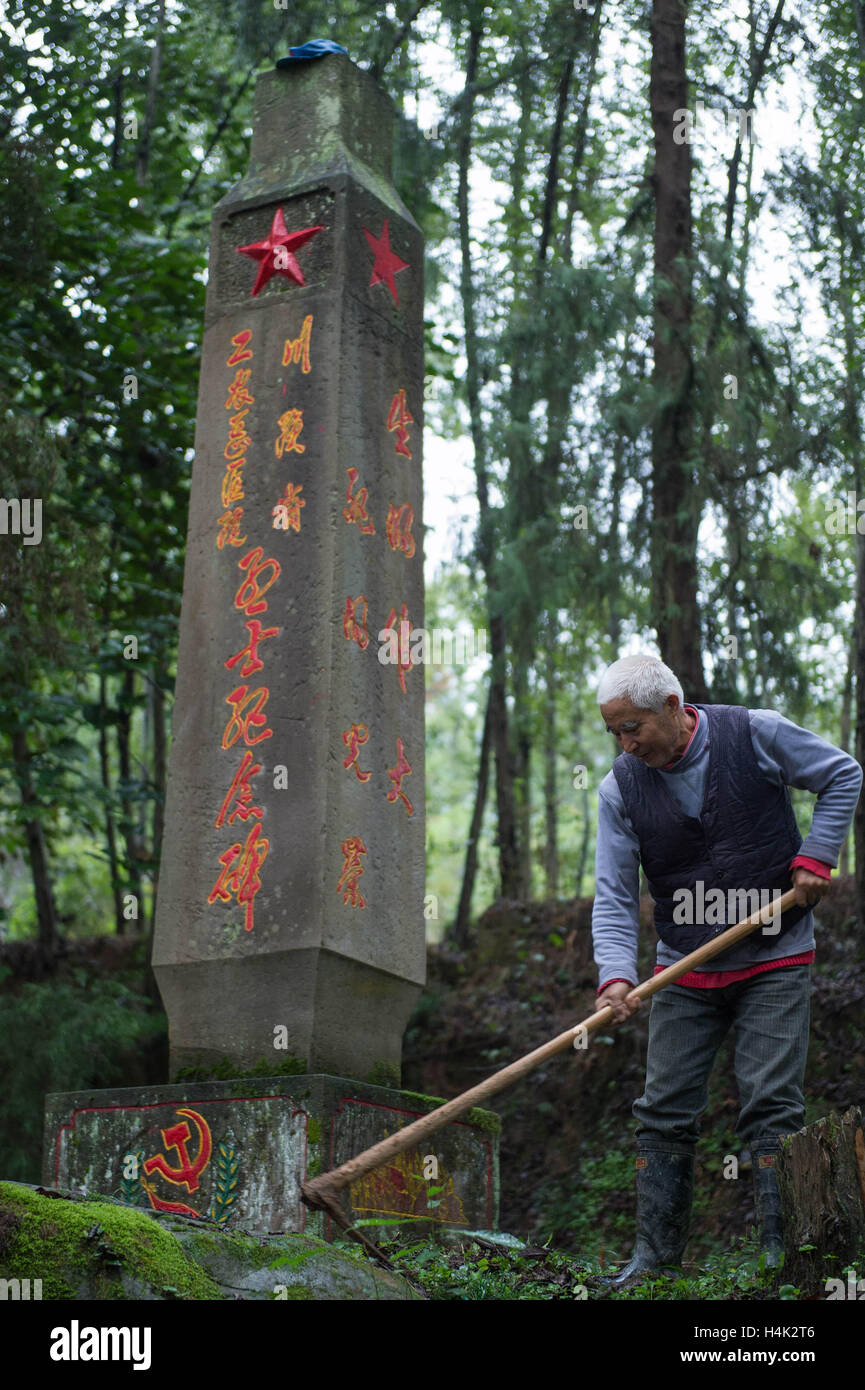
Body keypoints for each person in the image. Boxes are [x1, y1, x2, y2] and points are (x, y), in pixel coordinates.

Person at [592, 653, 862, 1285]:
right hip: (683, 967)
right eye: (614, 733)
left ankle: (781, 1260)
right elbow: (612, 895)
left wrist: (817, 857)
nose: (626, 744)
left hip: (775, 953)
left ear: (671, 706)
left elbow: (842, 774)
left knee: (771, 1106)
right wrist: (615, 975)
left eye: (633, 727)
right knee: (663, 1110)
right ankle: (654, 1263)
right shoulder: (618, 789)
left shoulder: (755, 733)